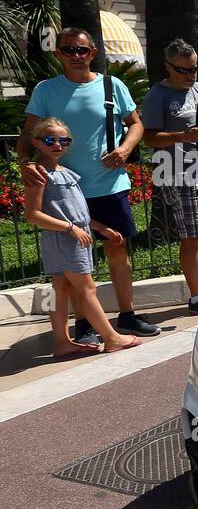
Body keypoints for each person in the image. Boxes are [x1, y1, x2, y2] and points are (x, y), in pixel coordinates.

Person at [21, 27, 159, 342]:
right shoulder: (45, 90)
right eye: (68, 50)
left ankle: (127, 316)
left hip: (109, 185)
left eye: (82, 50)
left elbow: (136, 124)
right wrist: (26, 164)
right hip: (65, 190)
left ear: (92, 53)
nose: (76, 55)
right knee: (73, 265)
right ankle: (83, 326)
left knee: (117, 248)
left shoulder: (113, 85)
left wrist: (125, 150)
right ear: (58, 53)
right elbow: (29, 134)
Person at [22, 118, 143, 356]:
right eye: (50, 140)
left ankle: (61, 342)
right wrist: (70, 229)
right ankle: (111, 337)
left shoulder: (66, 173)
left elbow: (79, 213)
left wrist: (99, 228)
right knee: (86, 288)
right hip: (66, 239)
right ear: (37, 143)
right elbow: (32, 215)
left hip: (69, 236)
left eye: (63, 140)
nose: (57, 145)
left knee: (59, 289)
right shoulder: (38, 174)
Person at [141, 38, 198, 315]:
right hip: (180, 172)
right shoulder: (157, 95)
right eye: (183, 70)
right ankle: (196, 297)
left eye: (193, 70)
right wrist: (183, 136)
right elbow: (148, 139)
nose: (189, 76)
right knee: (192, 237)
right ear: (167, 67)